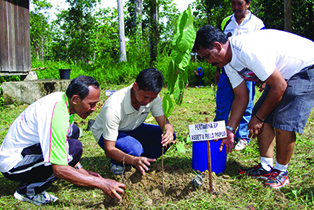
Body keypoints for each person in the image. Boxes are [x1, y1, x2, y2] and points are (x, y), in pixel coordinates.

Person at [193, 25, 314, 189]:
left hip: (306, 66)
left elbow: (279, 86)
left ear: (217, 46)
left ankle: (281, 172)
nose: (208, 61)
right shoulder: (227, 63)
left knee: (283, 119)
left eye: (207, 56)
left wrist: (259, 118)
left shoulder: (245, 51)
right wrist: (230, 129)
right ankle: (266, 167)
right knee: (259, 113)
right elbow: (241, 97)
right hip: (281, 76)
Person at [0, 76, 126, 205]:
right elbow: (59, 169)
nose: (94, 109)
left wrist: (82, 172)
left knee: (74, 131)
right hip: (14, 164)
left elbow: (65, 140)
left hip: (26, 152)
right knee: (74, 148)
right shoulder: (56, 114)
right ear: (76, 99)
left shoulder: (63, 101)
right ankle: (28, 191)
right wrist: (102, 183)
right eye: (91, 104)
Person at [92, 68, 176, 176]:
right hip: (105, 133)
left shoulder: (153, 98)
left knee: (169, 136)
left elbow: (165, 124)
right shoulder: (113, 106)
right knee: (134, 148)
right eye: (145, 97)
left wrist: (168, 131)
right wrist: (133, 159)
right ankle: (121, 162)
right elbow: (109, 149)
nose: (147, 102)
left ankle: (143, 161)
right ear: (135, 86)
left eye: (152, 98)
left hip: (133, 127)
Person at [214, 0, 265, 151]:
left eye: (239, 3)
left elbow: (262, 49)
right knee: (222, 103)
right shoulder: (226, 22)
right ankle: (218, 134)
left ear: (248, 4)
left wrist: (263, 78)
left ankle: (242, 136)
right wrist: (217, 70)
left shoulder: (256, 24)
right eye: (233, 4)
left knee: (246, 103)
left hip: (247, 71)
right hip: (227, 69)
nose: (236, 7)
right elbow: (219, 47)